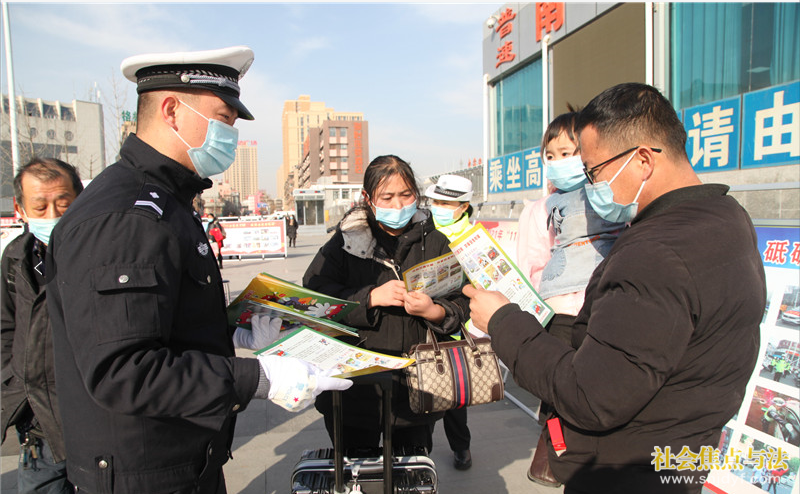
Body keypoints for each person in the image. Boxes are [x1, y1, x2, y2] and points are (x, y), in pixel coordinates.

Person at [45, 46, 351, 494]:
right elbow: (124, 370)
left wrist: (230, 331)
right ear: (171, 110)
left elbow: (158, 322)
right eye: (223, 118)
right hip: (143, 473)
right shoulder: (128, 218)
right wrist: (260, 379)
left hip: (180, 459)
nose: (228, 133)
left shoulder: (166, 201)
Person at [465, 82, 765, 493]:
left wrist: (503, 321)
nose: (590, 185)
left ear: (642, 159)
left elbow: (590, 396)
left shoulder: (653, 253)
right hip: (681, 457)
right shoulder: (728, 218)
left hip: (625, 472)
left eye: (595, 171)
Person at [303, 155, 470, 456]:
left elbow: (462, 298)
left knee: (411, 471)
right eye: (387, 197)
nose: (398, 205)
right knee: (357, 469)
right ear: (368, 198)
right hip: (354, 387)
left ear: (416, 195)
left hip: (417, 388)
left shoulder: (434, 242)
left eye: (406, 195)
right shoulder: (344, 243)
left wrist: (436, 312)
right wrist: (370, 298)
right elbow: (314, 298)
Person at [516, 110, 624, 487]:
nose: (559, 162)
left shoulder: (613, 195)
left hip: (607, 306)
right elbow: (531, 263)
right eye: (551, 155)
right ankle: (554, 454)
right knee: (558, 392)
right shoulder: (539, 210)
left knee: (602, 388)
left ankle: (594, 454)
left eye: (568, 152)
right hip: (560, 312)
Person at [1, 158, 83, 494]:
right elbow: (6, 328)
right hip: (36, 421)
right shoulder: (15, 258)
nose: (52, 215)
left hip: (90, 415)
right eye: (40, 205)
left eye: (63, 204)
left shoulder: (102, 251)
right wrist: (12, 378)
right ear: (20, 208)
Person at [425, 174, 475, 471]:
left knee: (455, 394)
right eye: (436, 201)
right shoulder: (423, 230)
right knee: (424, 391)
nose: (439, 207)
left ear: (464, 206)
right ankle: (421, 450)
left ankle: (461, 447)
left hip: (456, 325)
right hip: (421, 322)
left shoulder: (474, 239)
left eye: (447, 203)